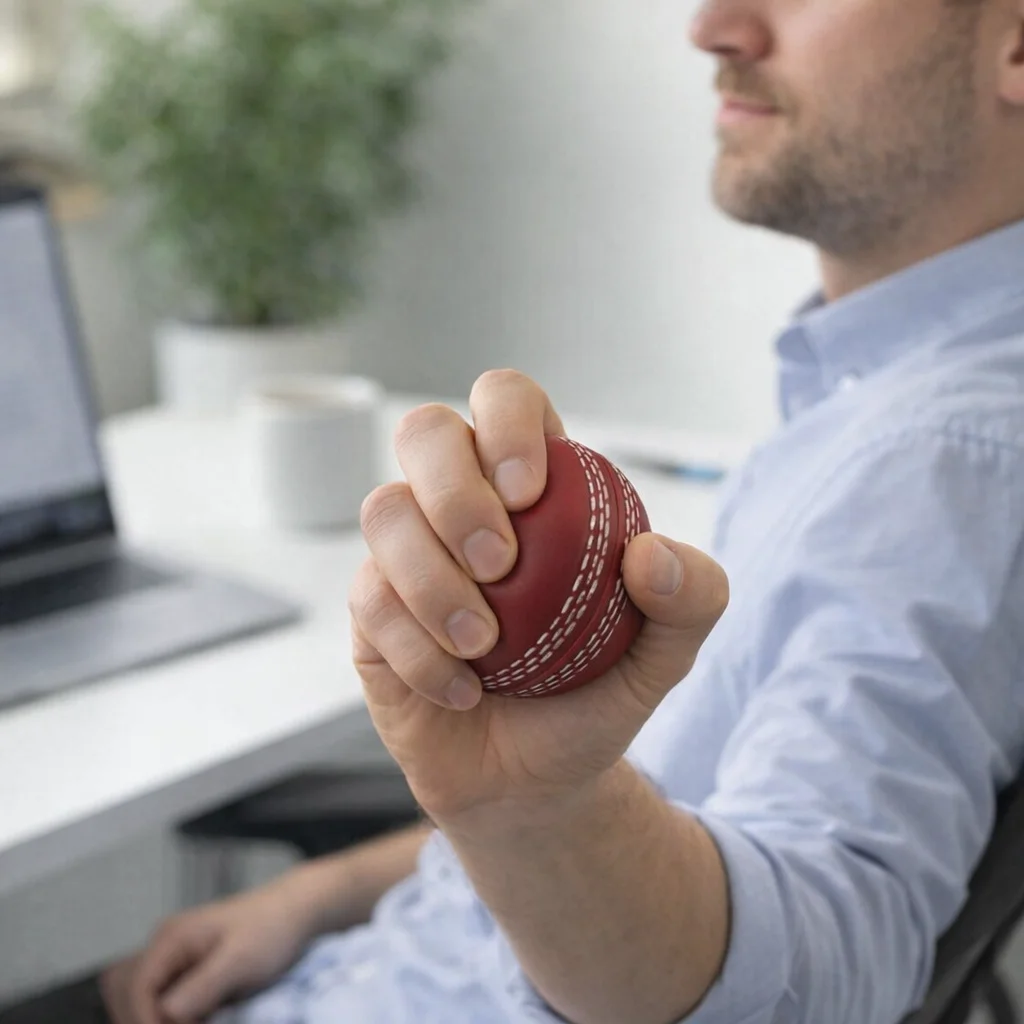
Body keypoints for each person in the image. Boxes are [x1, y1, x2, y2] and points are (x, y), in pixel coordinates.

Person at [6, 0, 1024, 1021]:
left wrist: (535, 812)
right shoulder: (877, 401)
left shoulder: (944, 459)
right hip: (355, 963)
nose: (712, 26)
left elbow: (821, 967)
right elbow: (684, 793)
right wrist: (326, 893)